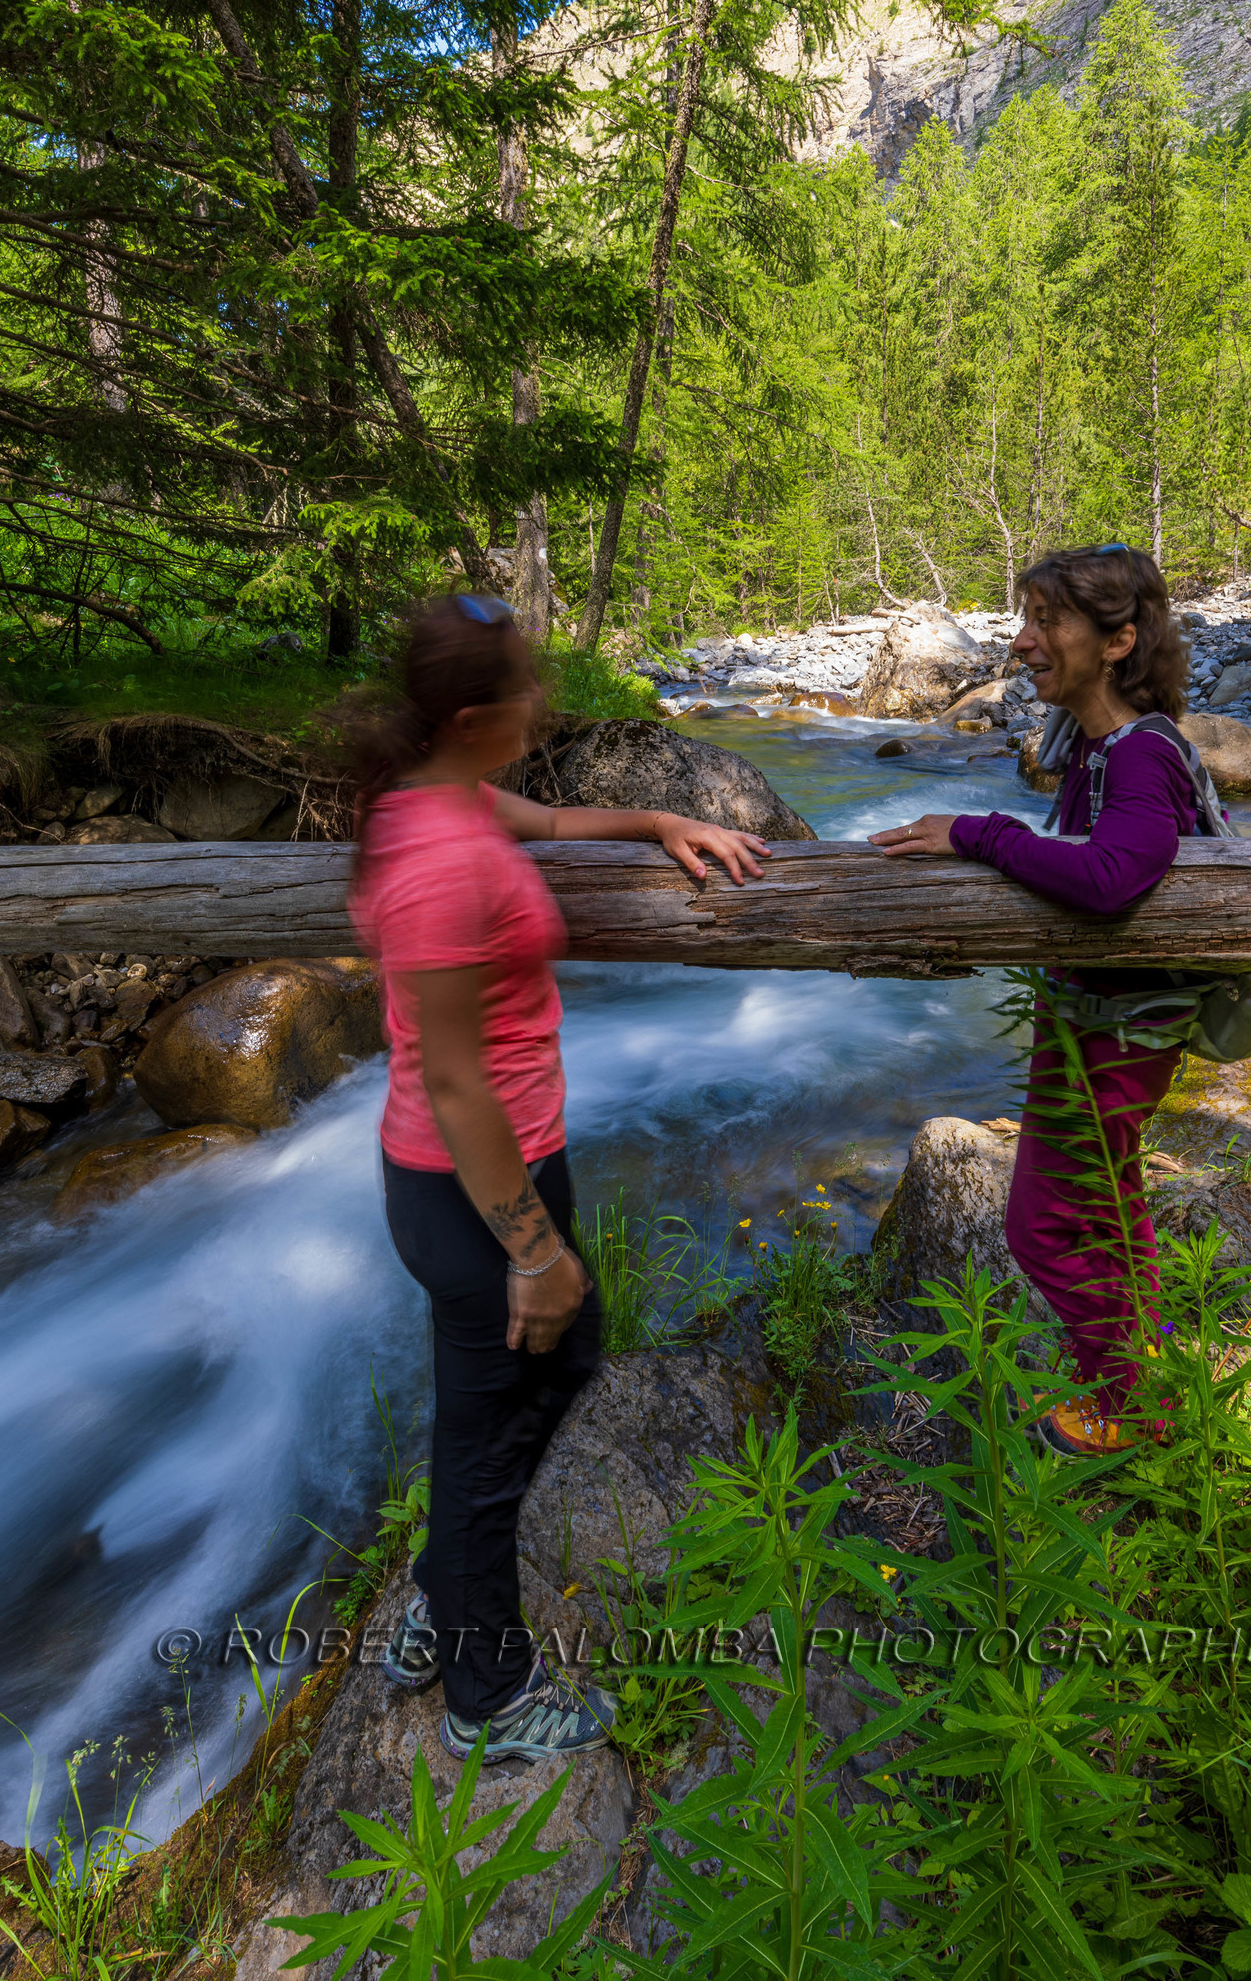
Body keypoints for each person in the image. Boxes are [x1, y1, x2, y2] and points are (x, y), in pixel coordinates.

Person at [348, 593, 768, 1758]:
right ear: (479, 714)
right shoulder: (436, 860)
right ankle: (489, 1694)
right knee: (493, 1435)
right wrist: (532, 1248)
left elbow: (534, 820)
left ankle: (446, 1593)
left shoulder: (441, 795)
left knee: (555, 1368)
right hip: (469, 1181)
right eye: (529, 688)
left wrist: (653, 824)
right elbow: (454, 1080)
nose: (547, 701)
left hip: (493, 1163)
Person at [869, 544, 1204, 1456]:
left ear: (1118, 640)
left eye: (1046, 622)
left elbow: (1112, 878)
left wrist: (976, 833)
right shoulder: (1092, 746)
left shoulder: (1140, 754)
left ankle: (1129, 1410)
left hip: (1126, 1026)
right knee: (1110, 1200)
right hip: (1096, 1015)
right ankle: (1148, 1373)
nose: (1023, 643)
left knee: (1045, 1224)